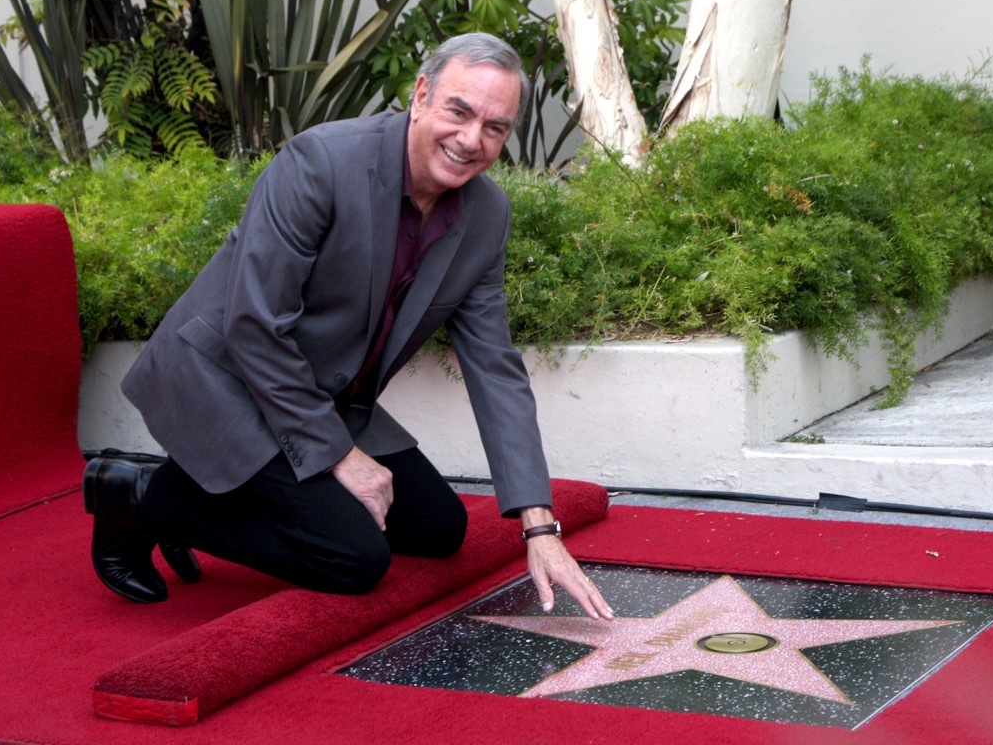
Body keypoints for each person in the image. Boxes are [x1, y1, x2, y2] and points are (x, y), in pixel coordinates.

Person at [83, 32, 614, 621]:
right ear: (420, 95)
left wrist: (539, 525)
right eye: (458, 112)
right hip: (225, 380)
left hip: (319, 393)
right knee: (354, 560)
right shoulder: (321, 163)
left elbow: (494, 365)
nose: (471, 140)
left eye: (495, 127)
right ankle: (142, 496)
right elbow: (256, 326)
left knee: (440, 528)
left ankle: (219, 493)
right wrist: (341, 456)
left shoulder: (487, 214)